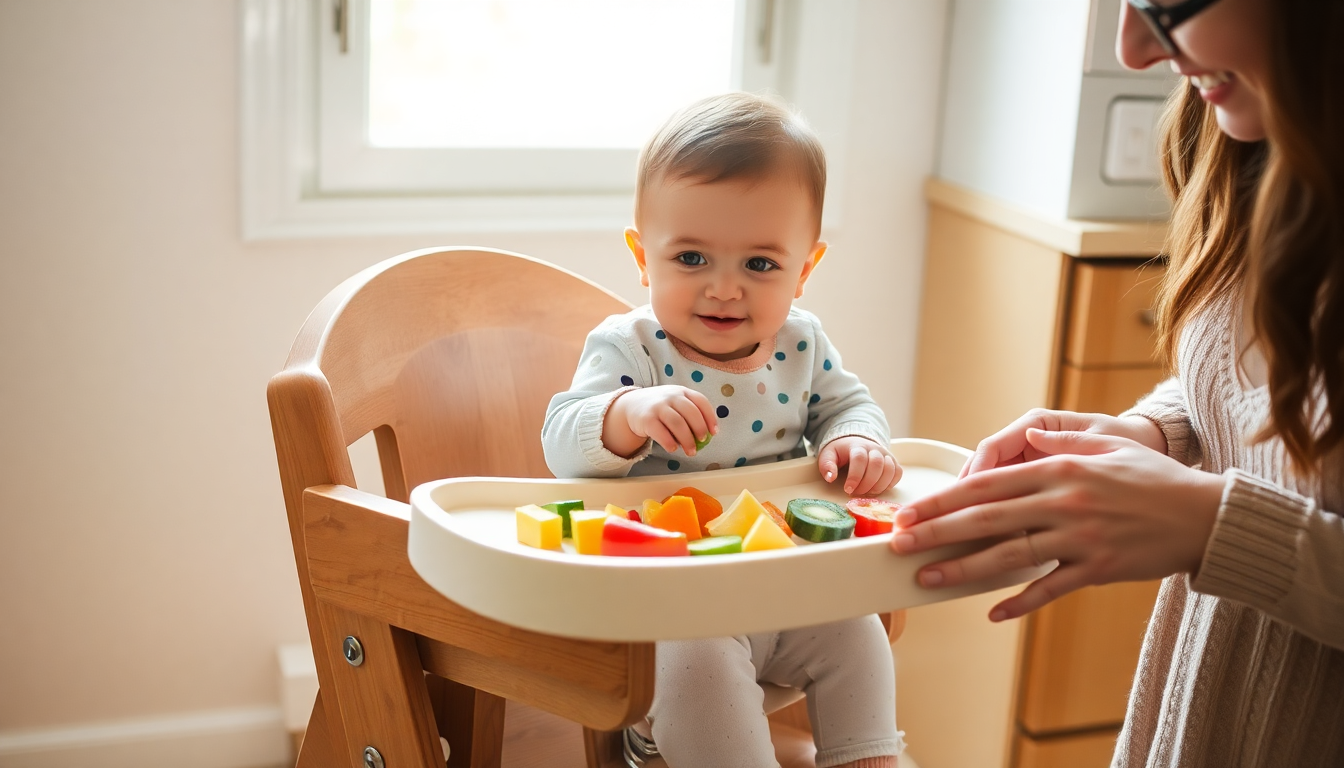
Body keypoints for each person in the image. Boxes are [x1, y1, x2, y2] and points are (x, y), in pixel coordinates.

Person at [890, 0, 1344, 764]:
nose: (1134, 49)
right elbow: (1268, 386)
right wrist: (1153, 432)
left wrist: (1212, 524)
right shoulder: (1257, 149)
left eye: (1166, 4)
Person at [543, 93, 905, 768]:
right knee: (696, 662)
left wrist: (855, 441)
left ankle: (867, 759)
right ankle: (658, 732)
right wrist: (628, 416)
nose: (724, 289)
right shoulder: (631, 349)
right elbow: (562, 440)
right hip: (666, 608)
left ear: (804, 270)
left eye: (760, 265)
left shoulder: (802, 344)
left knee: (858, 631)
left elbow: (850, 407)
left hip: (784, 585)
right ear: (643, 256)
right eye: (690, 259)